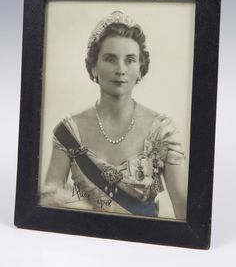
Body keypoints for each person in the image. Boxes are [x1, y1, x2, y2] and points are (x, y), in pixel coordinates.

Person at [39, 11, 187, 220]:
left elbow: (185, 214)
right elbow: (48, 205)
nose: (120, 69)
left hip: (143, 246)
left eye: (130, 60)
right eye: (110, 59)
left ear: (141, 67)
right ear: (93, 66)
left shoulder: (163, 131)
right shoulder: (69, 131)